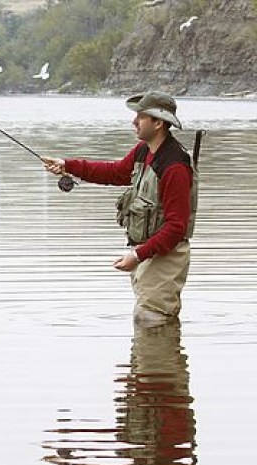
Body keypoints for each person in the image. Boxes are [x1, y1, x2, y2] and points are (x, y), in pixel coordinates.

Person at [42, 92, 197, 326]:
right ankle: (150, 362)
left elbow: (176, 227)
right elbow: (114, 173)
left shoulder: (175, 166)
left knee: (150, 319)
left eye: (141, 117)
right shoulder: (143, 151)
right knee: (148, 321)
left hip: (165, 256)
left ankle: (156, 361)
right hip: (148, 252)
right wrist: (68, 165)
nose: (134, 122)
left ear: (158, 123)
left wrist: (136, 256)